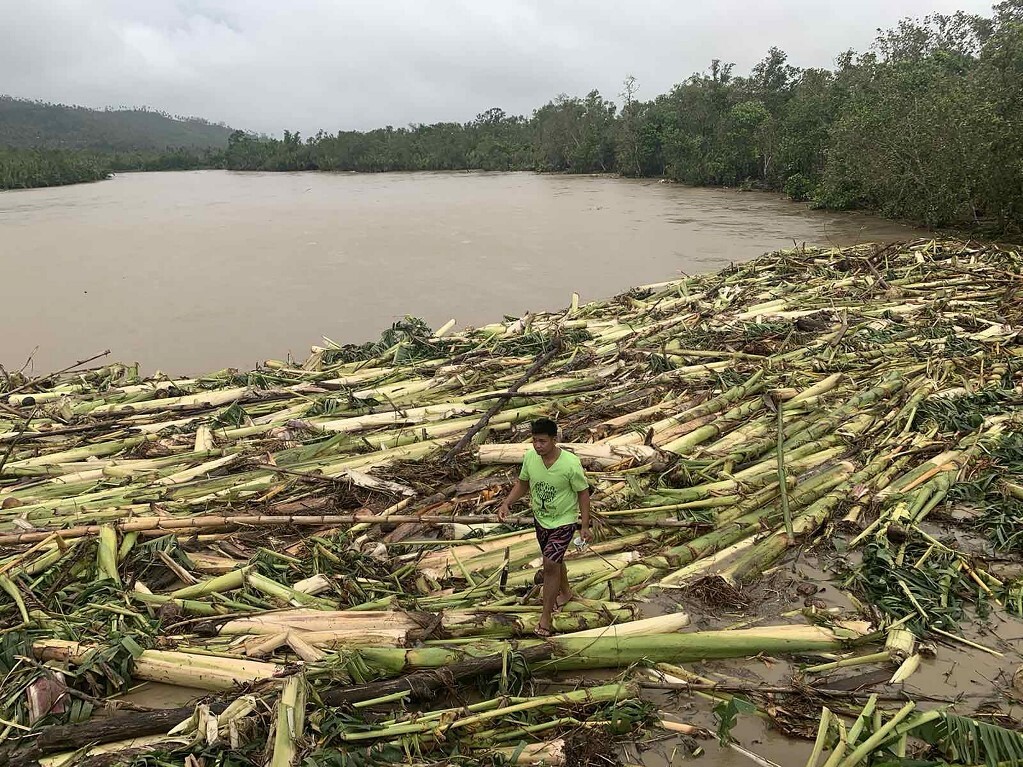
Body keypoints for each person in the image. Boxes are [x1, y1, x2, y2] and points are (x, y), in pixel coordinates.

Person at [497, 417, 590, 637]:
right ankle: (566, 593)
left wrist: (584, 525)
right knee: (555, 560)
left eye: (542, 441)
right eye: (534, 441)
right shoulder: (530, 458)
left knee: (549, 563)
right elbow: (523, 483)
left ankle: (545, 617)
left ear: (554, 440)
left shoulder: (570, 463)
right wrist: (507, 503)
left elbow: (583, 493)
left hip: (564, 520)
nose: (538, 446)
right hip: (541, 519)